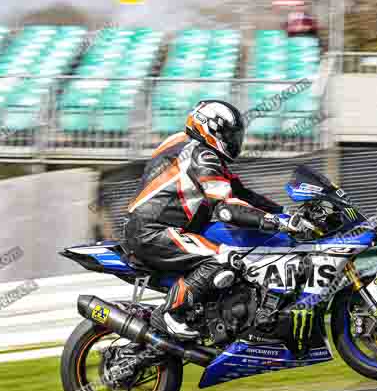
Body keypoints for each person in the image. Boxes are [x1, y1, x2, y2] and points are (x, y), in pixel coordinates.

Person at [123, 100, 310, 339]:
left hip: (156, 227)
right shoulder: (203, 156)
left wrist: (285, 212)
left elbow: (241, 194)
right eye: (230, 135)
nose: (235, 141)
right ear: (210, 129)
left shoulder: (183, 143)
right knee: (225, 256)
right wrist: (279, 223)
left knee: (229, 252)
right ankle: (170, 313)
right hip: (154, 232)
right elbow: (226, 209)